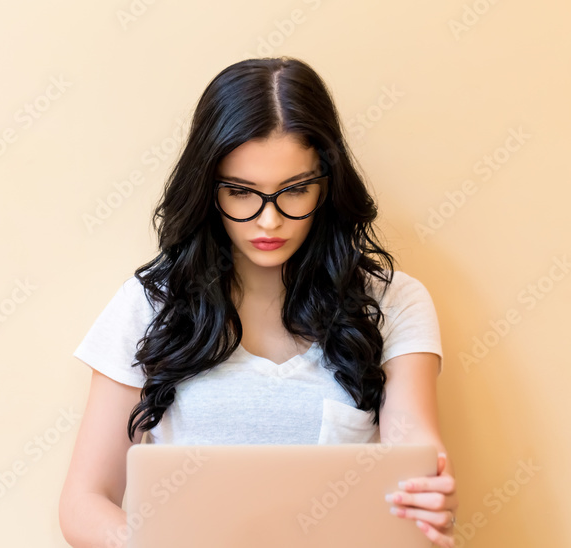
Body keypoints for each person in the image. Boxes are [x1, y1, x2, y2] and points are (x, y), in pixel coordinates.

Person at [58, 57, 459, 548]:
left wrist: (429, 496)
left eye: (294, 190)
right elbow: (84, 502)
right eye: (241, 193)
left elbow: (413, 449)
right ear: (208, 189)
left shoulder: (393, 301)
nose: (268, 222)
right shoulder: (150, 304)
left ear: (327, 186)